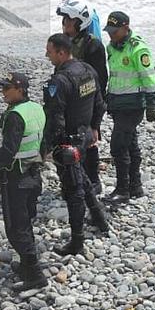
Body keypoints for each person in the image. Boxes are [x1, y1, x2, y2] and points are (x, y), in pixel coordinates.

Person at [0, 73, 48, 293]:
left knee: (16, 228)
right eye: (2, 88)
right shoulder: (36, 109)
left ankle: (35, 275)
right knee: (27, 221)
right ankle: (25, 264)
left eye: (7, 89)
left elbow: (7, 152)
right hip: (33, 174)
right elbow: (44, 142)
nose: (3, 92)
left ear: (19, 90)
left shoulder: (15, 116)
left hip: (17, 178)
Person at [43, 34, 110, 256]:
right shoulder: (88, 71)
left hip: (69, 142)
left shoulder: (60, 81)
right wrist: (94, 128)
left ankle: (77, 241)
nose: (47, 55)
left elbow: (55, 117)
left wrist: (51, 146)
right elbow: (100, 103)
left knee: (73, 191)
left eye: (50, 51)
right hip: (85, 136)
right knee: (82, 178)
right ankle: (100, 220)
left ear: (62, 53)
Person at [103, 11, 155, 202]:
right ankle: (135, 187)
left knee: (118, 147)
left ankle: (122, 190)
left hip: (133, 105)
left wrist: (152, 104)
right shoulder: (112, 47)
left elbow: (149, 76)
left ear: (126, 28)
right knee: (131, 145)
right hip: (117, 103)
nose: (111, 35)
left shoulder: (137, 48)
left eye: (115, 31)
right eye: (109, 31)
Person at [57, 0, 108, 194]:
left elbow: (99, 81)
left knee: (89, 141)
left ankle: (93, 182)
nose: (65, 25)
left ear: (80, 22)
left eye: (69, 21)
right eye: (64, 21)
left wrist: (96, 119)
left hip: (87, 102)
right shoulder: (64, 43)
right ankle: (72, 181)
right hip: (69, 100)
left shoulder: (93, 46)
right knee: (66, 140)